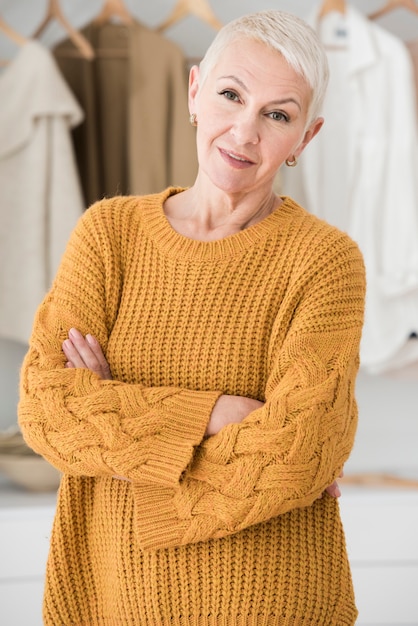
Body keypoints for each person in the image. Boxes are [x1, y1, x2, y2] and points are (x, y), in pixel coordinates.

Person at [18, 9, 366, 625]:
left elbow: (298, 449)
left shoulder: (325, 261)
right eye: (231, 95)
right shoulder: (109, 234)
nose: (244, 131)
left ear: (304, 139)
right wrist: (215, 415)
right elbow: (47, 412)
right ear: (195, 91)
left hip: (270, 597)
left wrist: (121, 425)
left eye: (277, 114)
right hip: (111, 593)